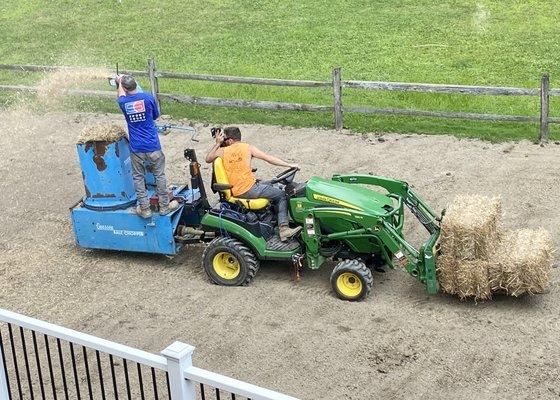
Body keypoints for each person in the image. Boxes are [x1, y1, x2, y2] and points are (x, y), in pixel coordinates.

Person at [205, 127, 302, 242]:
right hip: (248, 189)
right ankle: (284, 229)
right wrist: (289, 164)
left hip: (242, 187)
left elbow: (207, 158)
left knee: (273, 183)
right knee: (281, 195)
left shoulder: (223, 151)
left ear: (229, 140)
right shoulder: (248, 148)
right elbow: (269, 158)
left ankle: (274, 221)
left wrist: (217, 143)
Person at [115, 74, 179, 218]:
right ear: (135, 84)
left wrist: (119, 82)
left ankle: (145, 210)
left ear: (124, 88)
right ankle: (164, 207)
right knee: (159, 175)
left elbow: (120, 95)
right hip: (153, 145)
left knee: (138, 177)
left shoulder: (123, 102)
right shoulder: (148, 98)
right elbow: (156, 116)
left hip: (136, 148)